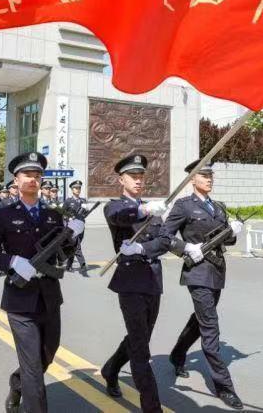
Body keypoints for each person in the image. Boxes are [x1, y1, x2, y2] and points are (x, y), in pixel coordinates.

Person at [0, 152, 82, 413]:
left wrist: (75, 235)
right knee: (33, 365)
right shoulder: (4, 215)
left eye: (37, 175)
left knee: (48, 353)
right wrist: (11, 261)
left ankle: (16, 383)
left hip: (49, 295)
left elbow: (62, 254)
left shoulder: (52, 216)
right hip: (19, 300)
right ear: (16, 180)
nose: (33, 180)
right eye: (27, 175)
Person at [100, 154, 196, 412]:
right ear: (121, 180)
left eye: (142, 176)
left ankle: (110, 369)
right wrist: (142, 210)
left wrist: (142, 248)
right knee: (141, 350)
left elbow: (164, 241)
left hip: (153, 281)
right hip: (130, 283)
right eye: (133, 176)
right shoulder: (114, 206)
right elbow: (119, 217)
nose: (139, 180)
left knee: (138, 337)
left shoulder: (154, 209)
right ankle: (151, 407)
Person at [162, 159, 245, 409]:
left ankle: (177, 354)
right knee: (210, 328)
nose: (209, 179)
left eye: (211, 175)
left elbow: (225, 241)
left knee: (200, 320)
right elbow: (165, 235)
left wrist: (233, 231)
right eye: (204, 175)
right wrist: (185, 247)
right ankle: (224, 387)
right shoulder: (184, 206)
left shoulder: (218, 207)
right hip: (197, 273)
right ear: (192, 180)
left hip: (217, 271)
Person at [62, 180, 89, 275]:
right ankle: (83, 265)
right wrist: (68, 218)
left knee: (74, 246)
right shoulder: (68, 201)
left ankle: (69, 266)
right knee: (77, 246)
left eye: (79, 188)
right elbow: (62, 213)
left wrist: (86, 210)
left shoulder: (83, 201)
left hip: (81, 227)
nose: (78, 190)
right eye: (75, 188)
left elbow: (85, 215)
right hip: (72, 228)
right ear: (72, 189)